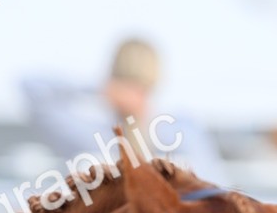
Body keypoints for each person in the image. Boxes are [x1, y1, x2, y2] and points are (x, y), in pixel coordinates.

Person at [22, 37, 226, 185]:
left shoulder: (179, 133)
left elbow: (34, 90)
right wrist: (100, 88)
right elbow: (31, 86)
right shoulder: (92, 135)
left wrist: (98, 87)